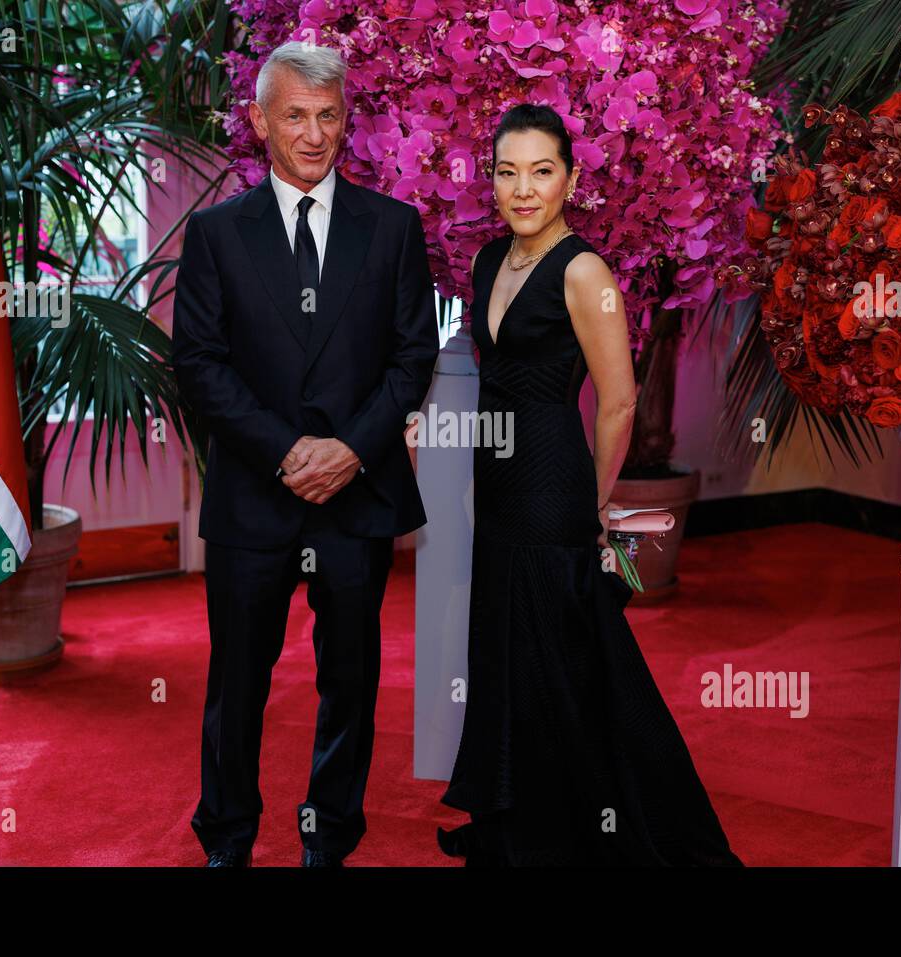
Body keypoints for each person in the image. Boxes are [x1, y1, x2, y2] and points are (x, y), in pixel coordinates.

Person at [436, 104, 743, 867]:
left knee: (572, 660)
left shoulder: (584, 270)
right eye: (508, 172)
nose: (523, 188)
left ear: (571, 179)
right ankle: (520, 824)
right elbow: (493, 381)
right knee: (508, 654)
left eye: (542, 171)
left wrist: (597, 502)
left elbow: (619, 400)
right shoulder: (483, 263)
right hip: (498, 481)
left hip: (553, 486)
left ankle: (598, 830)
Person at [171, 41, 439, 867]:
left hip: (356, 498)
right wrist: (289, 452)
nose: (313, 134)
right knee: (238, 684)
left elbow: (413, 356)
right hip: (256, 493)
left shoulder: (393, 228)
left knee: (349, 682)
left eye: (328, 115)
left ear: (346, 118)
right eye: (294, 116)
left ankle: (330, 836)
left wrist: (350, 452)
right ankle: (228, 839)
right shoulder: (216, 233)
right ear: (259, 121)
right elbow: (199, 366)